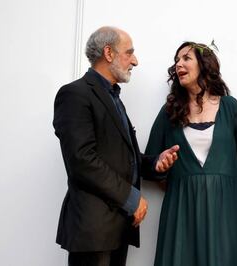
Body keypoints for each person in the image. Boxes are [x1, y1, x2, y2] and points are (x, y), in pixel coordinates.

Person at [53, 26, 179, 266]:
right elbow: (82, 160)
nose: (135, 61)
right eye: (129, 52)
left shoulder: (114, 98)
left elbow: (125, 158)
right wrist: (131, 198)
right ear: (108, 53)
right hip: (93, 230)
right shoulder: (74, 94)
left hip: (119, 227)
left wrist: (156, 163)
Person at [145, 41, 237, 266]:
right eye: (176, 60)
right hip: (180, 210)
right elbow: (149, 162)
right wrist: (183, 183)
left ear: (204, 65)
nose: (179, 64)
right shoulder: (169, 112)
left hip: (225, 210)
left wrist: (218, 187)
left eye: (186, 58)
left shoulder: (230, 107)